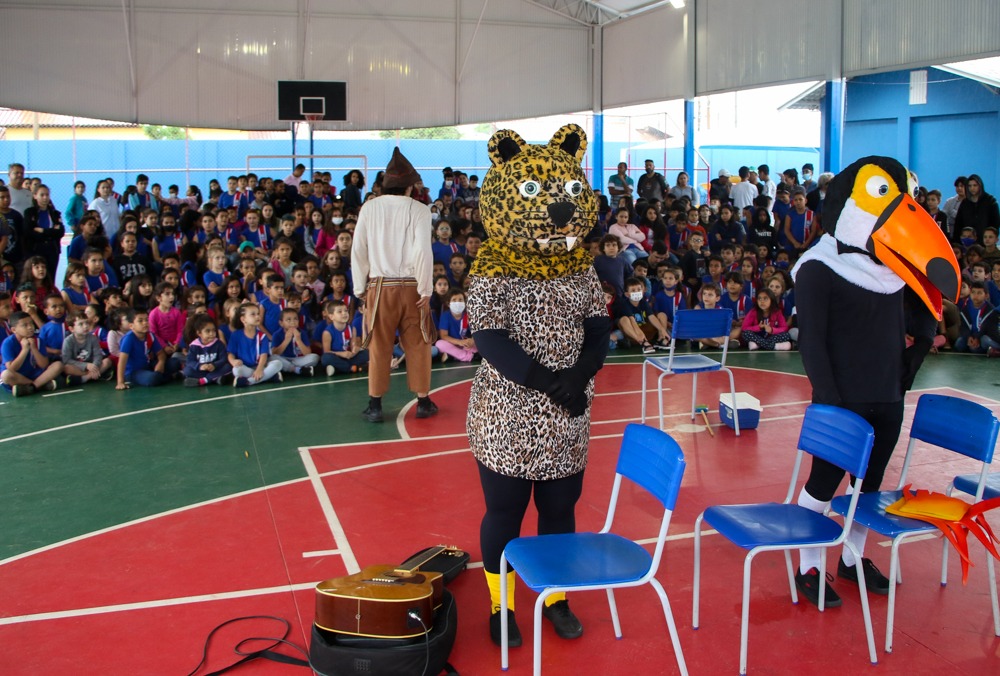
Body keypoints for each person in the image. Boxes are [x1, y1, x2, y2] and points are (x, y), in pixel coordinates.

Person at [351, 148, 437, 422]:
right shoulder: (420, 210)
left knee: (379, 345)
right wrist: (426, 288)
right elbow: (424, 251)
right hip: (412, 287)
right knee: (418, 343)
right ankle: (423, 401)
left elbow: (358, 250)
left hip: (379, 288)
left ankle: (375, 405)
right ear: (410, 186)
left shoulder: (369, 207)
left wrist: (359, 288)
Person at [1, 310, 62, 396]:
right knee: (6, 375)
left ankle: (31, 387)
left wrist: (33, 348)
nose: (30, 327)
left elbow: (44, 365)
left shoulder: (38, 340)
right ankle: (40, 385)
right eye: (25, 325)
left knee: (58, 365)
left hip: (35, 373)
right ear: (14, 330)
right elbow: (12, 369)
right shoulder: (8, 343)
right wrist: (25, 350)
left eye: (31, 323)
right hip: (19, 377)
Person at [115, 308, 180, 389]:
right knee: (152, 379)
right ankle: (167, 377)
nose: (145, 323)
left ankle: (162, 376)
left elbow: (161, 353)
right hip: (133, 372)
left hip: (148, 366)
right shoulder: (129, 339)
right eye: (140, 321)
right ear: (131, 326)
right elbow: (122, 361)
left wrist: (161, 363)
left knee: (175, 362)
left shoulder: (150, 335)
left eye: (146, 320)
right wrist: (120, 382)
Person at [227, 302, 282, 387]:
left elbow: (264, 355)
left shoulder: (262, 335)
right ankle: (269, 376)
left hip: (261, 366)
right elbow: (230, 354)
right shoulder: (235, 335)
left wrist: (259, 369)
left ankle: (249, 382)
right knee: (236, 370)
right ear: (243, 319)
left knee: (278, 363)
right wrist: (233, 361)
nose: (257, 316)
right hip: (245, 368)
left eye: (258, 314)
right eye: (253, 314)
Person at [22, 184, 65, 275]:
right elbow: (28, 232)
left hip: (52, 250)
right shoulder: (29, 213)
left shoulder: (55, 213)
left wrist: (43, 231)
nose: (45, 198)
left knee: (50, 276)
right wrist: (50, 233)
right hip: (35, 250)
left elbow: (60, 232)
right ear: (35, 196)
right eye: (42, 195)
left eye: (47, 195)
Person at [61, 310, 113, 383]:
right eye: (81, 324)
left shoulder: (93, 338)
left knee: (107, 361)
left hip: (93, 366)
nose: (85, 326)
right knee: (66, 368)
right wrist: (86, 365)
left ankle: (84, 378)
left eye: (87, 323)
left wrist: (94, 366)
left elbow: (98, 355)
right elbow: (67, 360)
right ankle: (94, 375)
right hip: (79, 367)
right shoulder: (68, 341)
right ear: (71, 329)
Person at [184, 313, 234, 386]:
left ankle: (204, 380)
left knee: (228, 367)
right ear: (199, 333)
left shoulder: (218, 344)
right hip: (202, 371)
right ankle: (215, 379)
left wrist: (214, 365)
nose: (212, 334)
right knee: (187, 370)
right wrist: (200, 366)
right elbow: (190, 361)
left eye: (213, 330)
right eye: (207, 331)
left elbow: (223, 359)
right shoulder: (194, 346)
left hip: (215, 369)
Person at [321, 300, 368, 374]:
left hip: (349, 357)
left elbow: (353, 345)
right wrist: (341, 354)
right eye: (340, 312)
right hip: (337, 356)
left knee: (366, 353)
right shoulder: (327, 332)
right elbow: (327, 351)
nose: (344, 314)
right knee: (326, 358)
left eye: (346, 311)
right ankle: (351, 368)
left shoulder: (352, 328)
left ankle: (338, 369)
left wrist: (355, 350)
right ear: (331, 316)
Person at [271, 307, 319, 376]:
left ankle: (289, 368)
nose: (292, 322)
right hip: (284, 359)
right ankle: (297, 369)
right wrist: (286, 340)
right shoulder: (277, 334)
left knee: (315, 357)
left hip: (298, 360)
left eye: (295, 319)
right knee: (272, 358)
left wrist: (298, 339)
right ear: (281, 323)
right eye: (288, 320)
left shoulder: (302, 333)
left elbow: (308, 353)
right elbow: (275, 353)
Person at [954, 174, 1000, 243]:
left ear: (980, 186)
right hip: (967, 242)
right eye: (969, 186)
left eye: (975, 185)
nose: (972, 188)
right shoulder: (965, 203)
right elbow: (958, 224)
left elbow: (995, 223)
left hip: (985, 242)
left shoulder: (990, 201)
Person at [435, 287, 477, 362]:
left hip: (466, 345)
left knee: (480, 343)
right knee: (439, 344)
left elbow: (476, 332)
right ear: (448, 303)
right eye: (454, 300)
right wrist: (459, 342)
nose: (457, 302)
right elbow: (443, 336)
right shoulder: (445, 316)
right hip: (452, 344)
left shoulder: (468, 315)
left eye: (460, 300)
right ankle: (470, 356)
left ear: (464, 302)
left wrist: (472, 340)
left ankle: (454, 356)